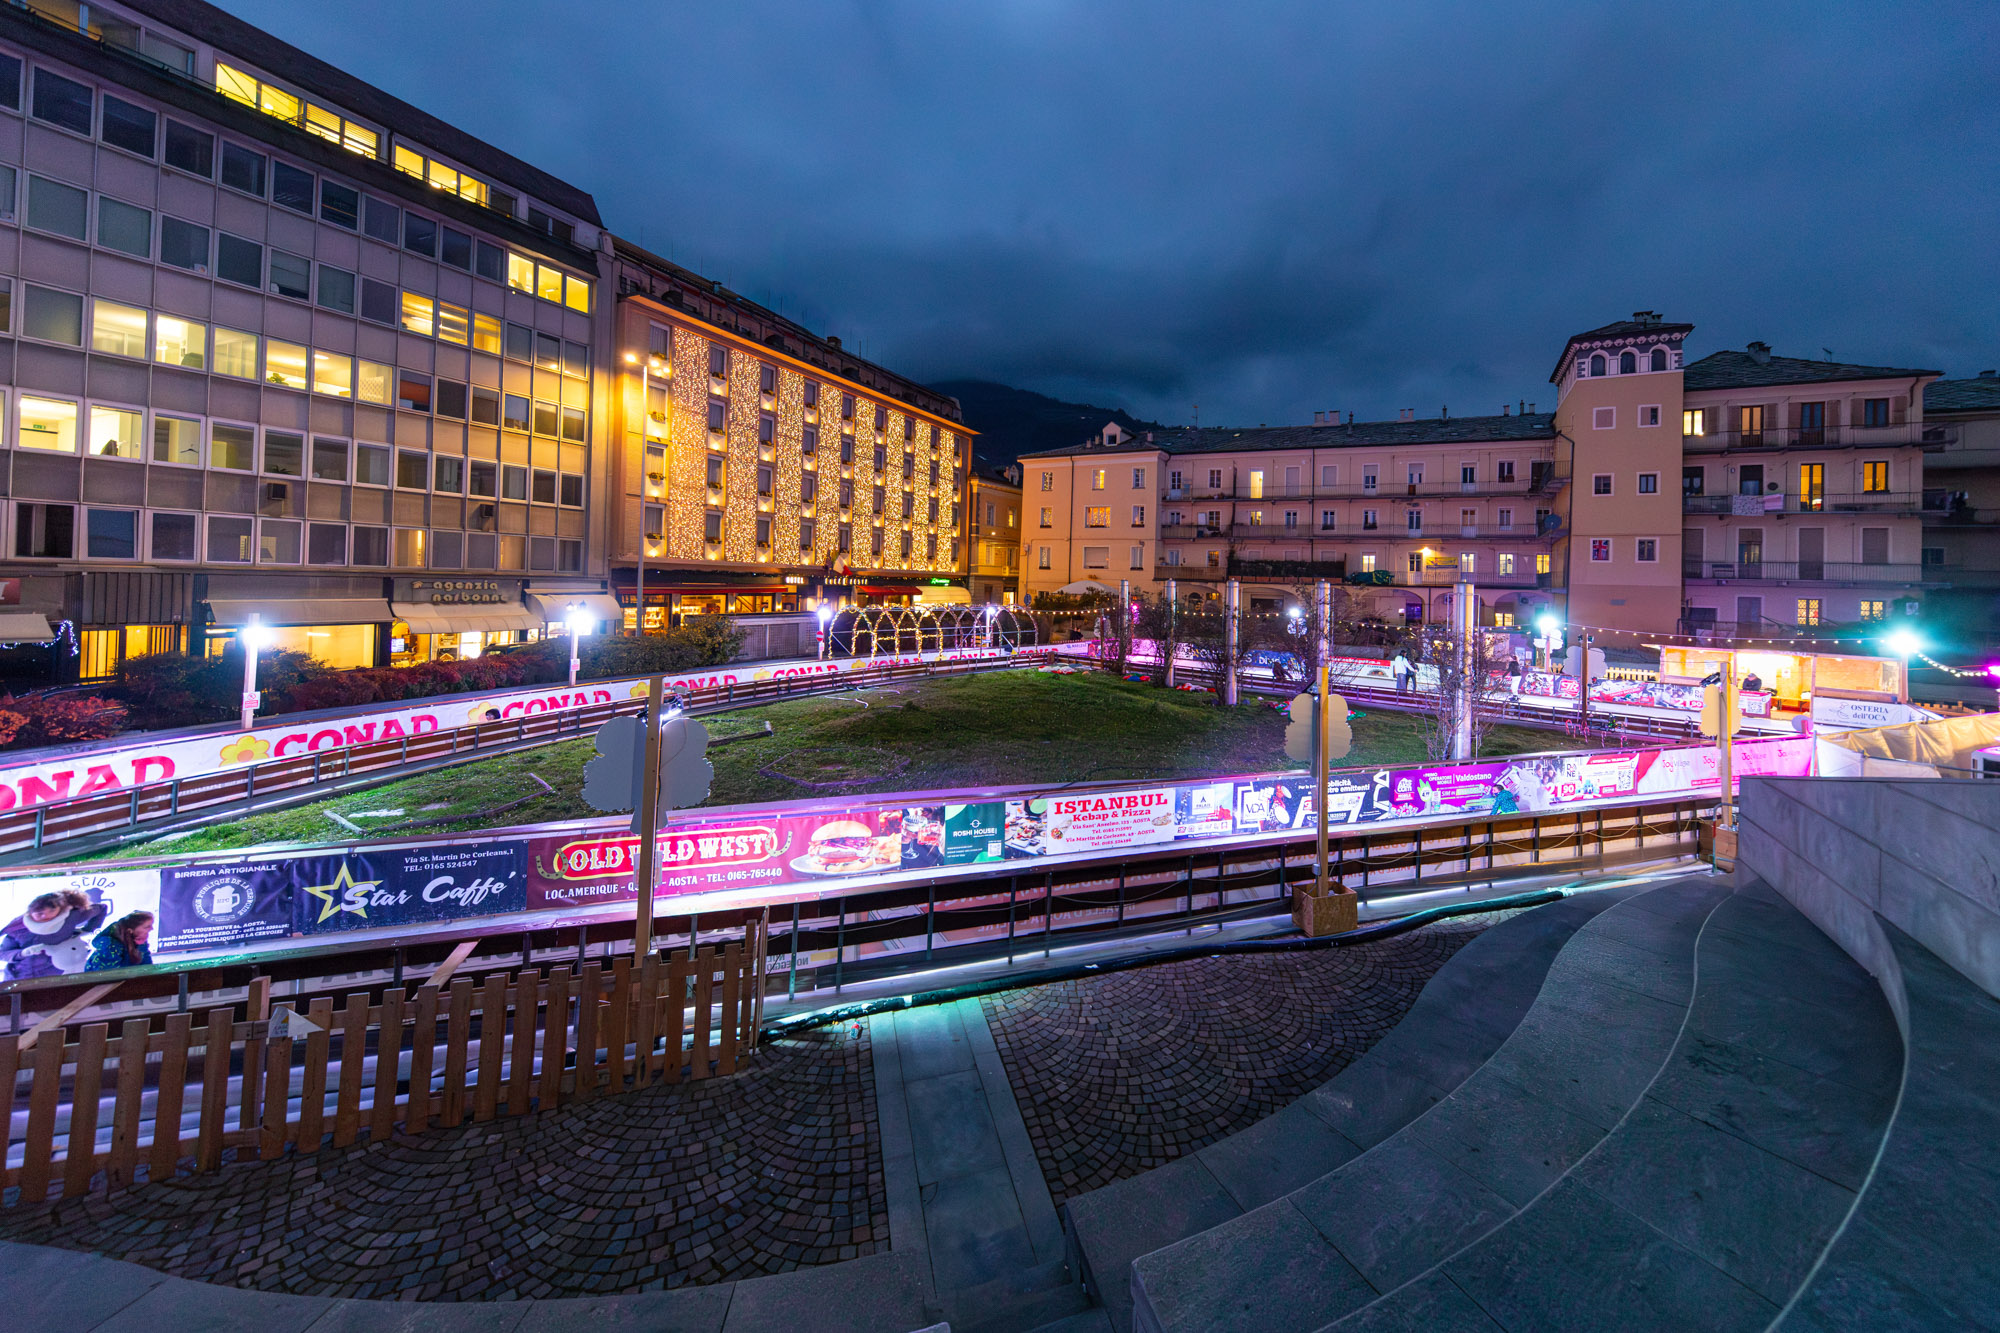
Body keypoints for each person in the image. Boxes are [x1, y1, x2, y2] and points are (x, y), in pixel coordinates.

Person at [0, 889, 108, 982]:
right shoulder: (18, 927)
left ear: (60, 909)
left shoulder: (71, 918)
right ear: (31, 912)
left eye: (52, 911)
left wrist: (87, 929)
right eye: (40, 913)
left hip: (55, 976)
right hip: (18, 976)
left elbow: (101, 908)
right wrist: (22, 953)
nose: (45, 917)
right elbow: (2, 953)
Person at [86, 911, 154, 972]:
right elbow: (109, 974)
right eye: (147, 927)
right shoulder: (110, 945)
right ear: (130, 930)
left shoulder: (140, 940)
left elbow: (147, 966)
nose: (152, 929)